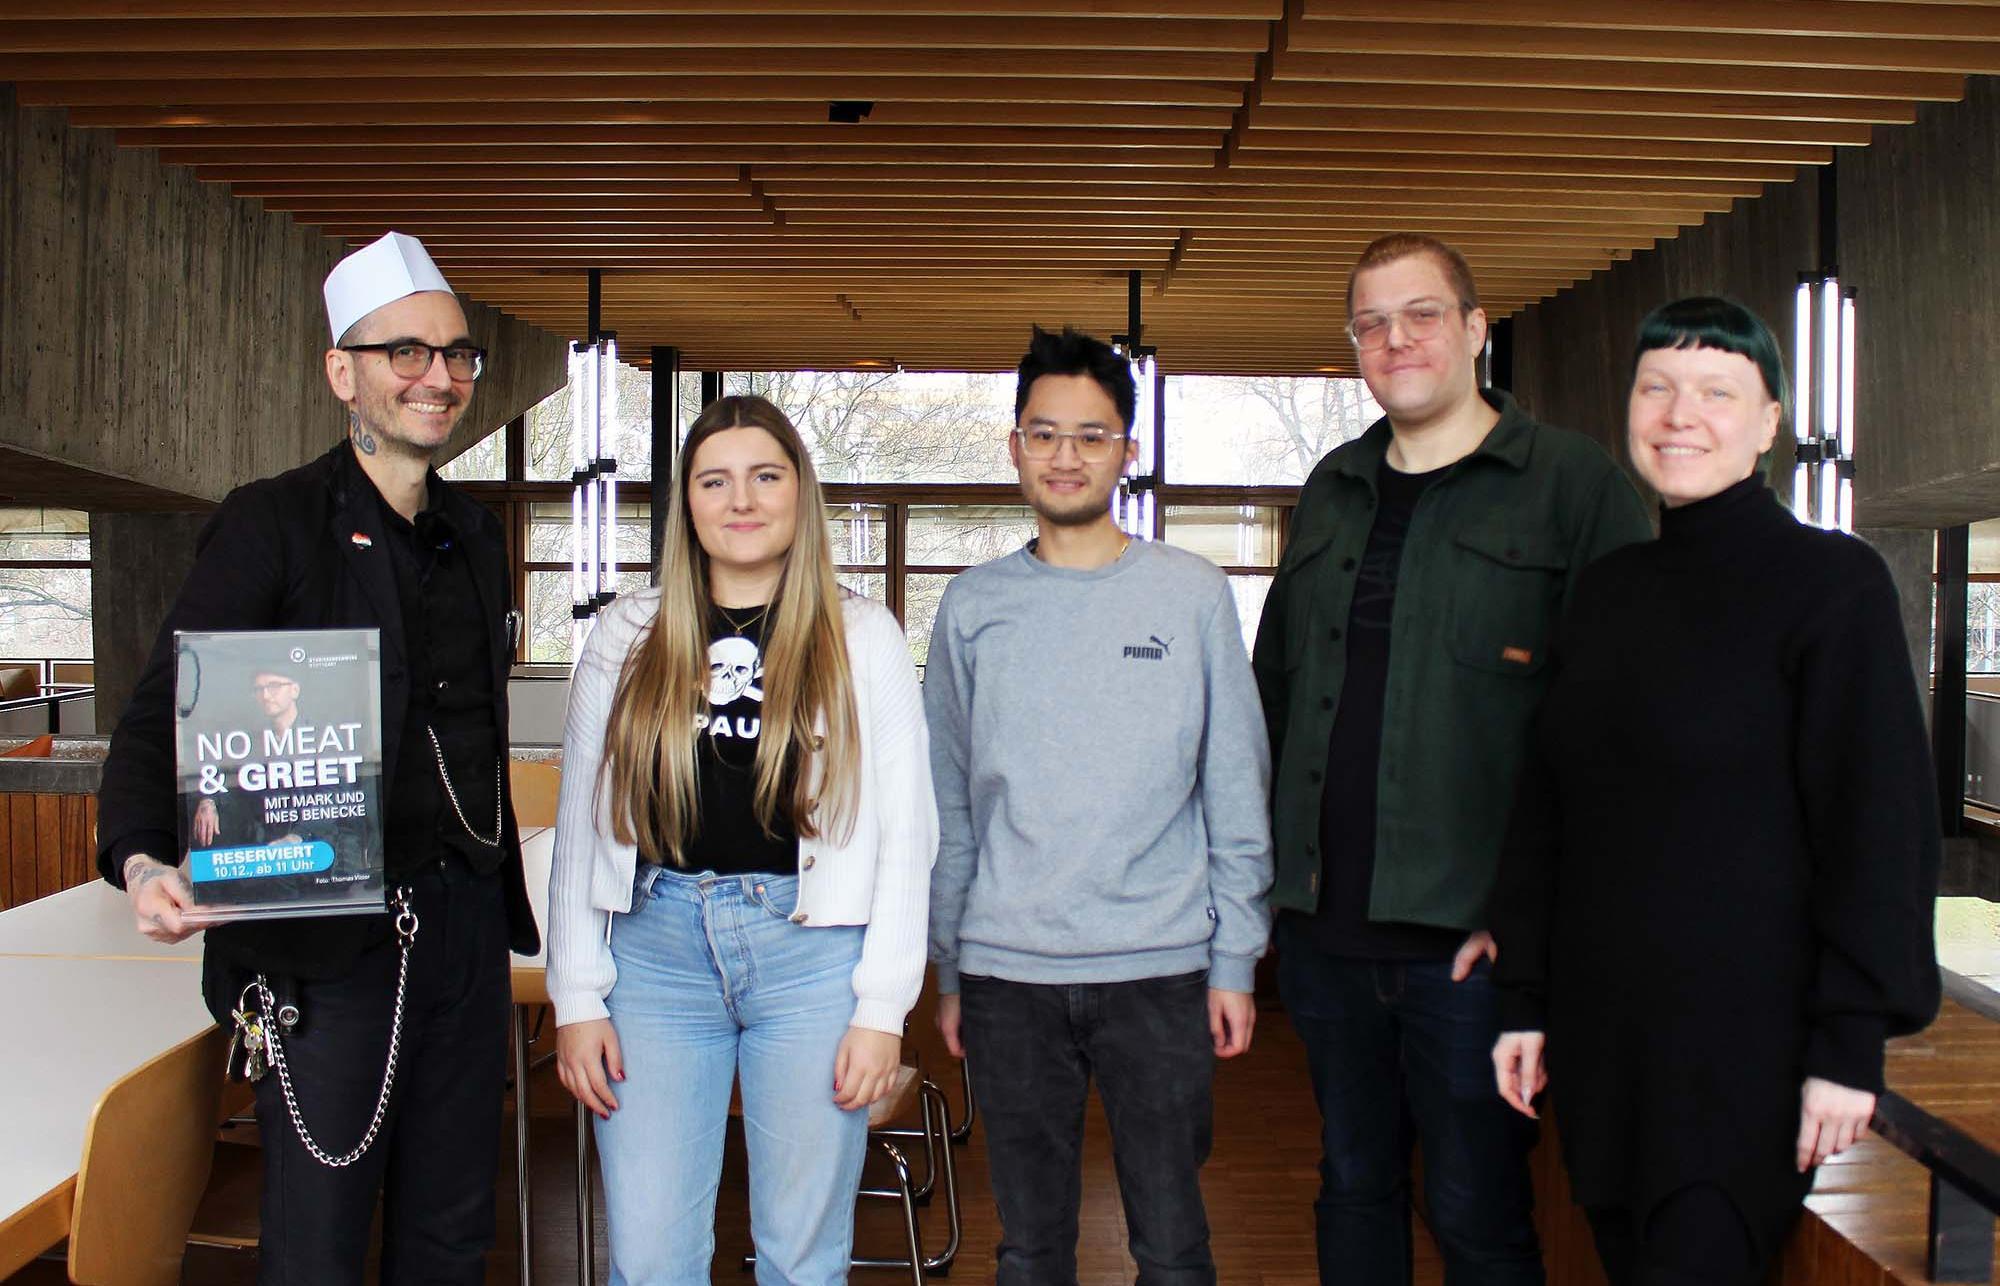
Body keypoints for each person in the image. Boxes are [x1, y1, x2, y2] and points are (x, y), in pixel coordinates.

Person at [96, 230, 540, 1283]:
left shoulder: (475, 535)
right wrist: (145, 860)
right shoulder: (274, 523)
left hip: (466, 929)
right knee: (320, 1239)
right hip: (327, 945)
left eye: (457, 355)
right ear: (343, 372)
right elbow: (167, 707)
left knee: (452, 1226)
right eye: (407, 353)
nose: (439, 377)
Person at [1489, 297, 1940, 1286]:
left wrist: (1848, 1043)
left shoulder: (1833, 584)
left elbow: (1876, 825)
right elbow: (1548, 808)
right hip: (1605, 1046)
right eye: (1655, 387)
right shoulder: (1607, 591)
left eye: (1714, 391)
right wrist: (1522, 997)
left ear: (1769, 421)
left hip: (1742, 1054)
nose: (1677, 413)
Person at [1252, 233, 1653, 1286]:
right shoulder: (1332, 486)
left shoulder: (1571, 485)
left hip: (1474, 950)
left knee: (1477, 1213)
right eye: (1370, 323)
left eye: (1420, 314)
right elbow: (1277, 696)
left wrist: (1535, 919)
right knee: (1351, 1186)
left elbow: (1618, 732)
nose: (1395, 339)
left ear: (1475, 328)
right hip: (1325, 937)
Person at [545, 394, 937, 1285]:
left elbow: (908, 833)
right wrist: (576, 996)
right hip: (653, 954)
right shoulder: (626, 633)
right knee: (649, 1261)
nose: (742, 500)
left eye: (765, 475)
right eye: (714, 481)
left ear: (800, 491)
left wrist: (883, 1010)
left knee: (802, 1258)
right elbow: (580, 827)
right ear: (687, 503)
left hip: (812, 958)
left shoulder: (862, 634)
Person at [927, 324, 1274, 1285]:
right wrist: (951, 967)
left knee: (1171, 1244)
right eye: (1044, 433)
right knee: (1031, 1251)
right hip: (1007, 977)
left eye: (1091, 435)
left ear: (1127, 450)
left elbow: (1235, 784)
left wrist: (1235, 958)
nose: (1065, 455)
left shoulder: (1193, 593)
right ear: (1014, 446)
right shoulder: (972, 605)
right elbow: (948, 799)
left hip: (1160, 973)